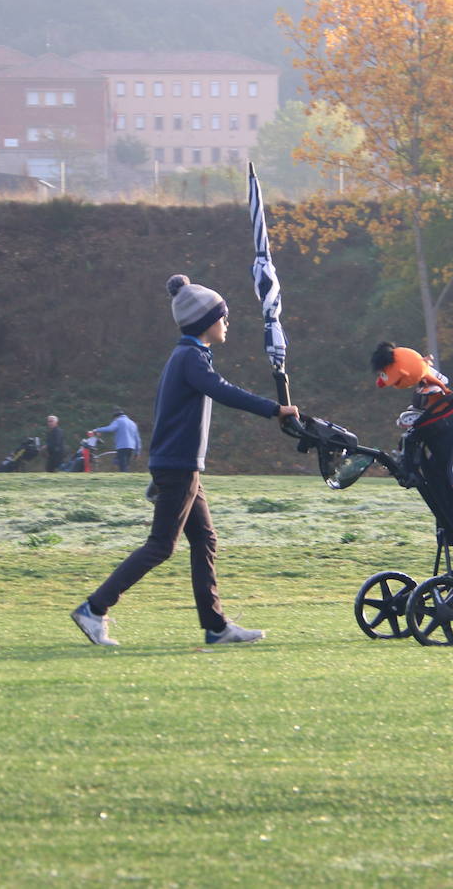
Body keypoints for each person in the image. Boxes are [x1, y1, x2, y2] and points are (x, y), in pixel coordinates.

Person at [70, 274, 300, 647]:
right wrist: (275, 409)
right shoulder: (191, 358)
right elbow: (222, 391)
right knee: (161, 545)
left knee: (205, 540)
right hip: (178, 466)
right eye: (222, 317)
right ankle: (94, 609)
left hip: (179, 465)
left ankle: (216, 626)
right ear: (206, 322)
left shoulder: (188, 356)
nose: (227, 323)